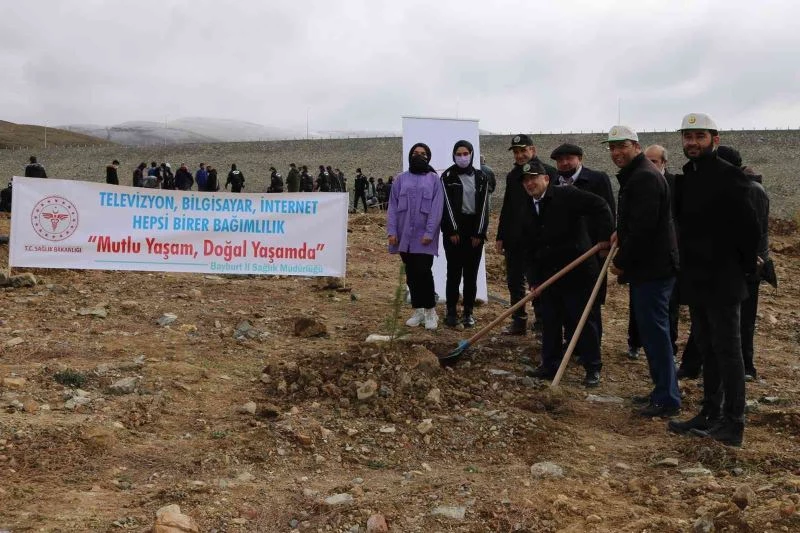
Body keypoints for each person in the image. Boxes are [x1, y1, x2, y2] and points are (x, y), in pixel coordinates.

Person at [667, 113, 759, 447]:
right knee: (707, 348)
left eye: (699, 137)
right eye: (687, 137)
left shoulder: (730, 177)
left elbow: (749, 229)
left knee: (729, 352)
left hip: (723, 278)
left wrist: (745, 269)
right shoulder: (688, 177)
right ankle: (709, 413)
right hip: (697, 278)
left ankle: (734, 424)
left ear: (714, 140)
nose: (692, 143)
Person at [604, 126, 680, 417]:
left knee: (656, 333)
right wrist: (619, 233)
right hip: (651, 267)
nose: (616, 153)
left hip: (653, 267)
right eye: (611, 148)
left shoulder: (644, 178)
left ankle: (667, 398)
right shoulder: (639, 174)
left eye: (621, 146)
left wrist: (621, 260)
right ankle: (663, 390)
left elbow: (645, 230)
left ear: (635, 145)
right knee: (651, 332)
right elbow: (636, 221)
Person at [520, 161, 613, 387]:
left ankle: (592, 367)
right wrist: (533, 280)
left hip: (577, 272)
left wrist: (604, 238)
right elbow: (528, 249)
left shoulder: (567, 195)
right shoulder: (527, 208)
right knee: (550, 321)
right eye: (526, 180)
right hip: (549, 276)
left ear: (546, 179)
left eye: (534, 178)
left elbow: (600, 206)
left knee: (582, 321)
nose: (530, 183)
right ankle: (549, 365)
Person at [551, 143, 616, 343]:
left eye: (568, 159)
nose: (564, 163)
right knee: (567, 301)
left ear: (580, 159)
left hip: (593, 250)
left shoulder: (597, 179)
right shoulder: (553, 182)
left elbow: (608, 211)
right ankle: (572, 343)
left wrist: (604, 244)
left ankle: (591, 347)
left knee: (590, 303)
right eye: (560, 160)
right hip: (564, 251)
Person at [495, 134, 555, 335]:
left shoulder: (548, 172)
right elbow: (508, 206)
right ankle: (518, 320)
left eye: (523, 151)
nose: (520, 155)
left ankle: (541, 321)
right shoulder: (513, 176)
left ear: (533, 150)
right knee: (514, 281)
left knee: (537, 281)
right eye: (516, 152)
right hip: (514, 238)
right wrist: (500, 235)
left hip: (537, 239)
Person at [625, 145, 680, 361]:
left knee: (668, 308)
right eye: (647, 160)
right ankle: (635, 342)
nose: (650, 164)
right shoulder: (638, 180)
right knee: (638, 306)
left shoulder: (675, 184)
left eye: (654, 161)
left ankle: (669, 350)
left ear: (664, 163)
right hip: (642, 259)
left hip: (666, 256)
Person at [387, 143, 444, 330]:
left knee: (424, 272)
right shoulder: (400, 180)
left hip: (423, 237)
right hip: (404, 236)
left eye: (423, 154)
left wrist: (429, 232)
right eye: (415, 153)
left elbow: (436, 209)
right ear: (410, 156)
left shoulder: (434, 180)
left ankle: (430, 311)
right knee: (411, 274)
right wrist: (392, 231)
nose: (419, 156)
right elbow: (393, 208)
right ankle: (418, 310)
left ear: (428, 157)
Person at [441, 140, 491, 328]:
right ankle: (451, 311)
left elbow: (484, 207)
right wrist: (452, 230)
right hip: (454, 230)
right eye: (458, 154)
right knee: (453, 273)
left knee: (471, 274)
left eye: (465, 153)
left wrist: (479, 233)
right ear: (453, 155)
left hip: (474, 231)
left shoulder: (481, 177)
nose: (462, 157)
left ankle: (468, 311)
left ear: (471, 154)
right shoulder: (448, 176)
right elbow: (446, 205)